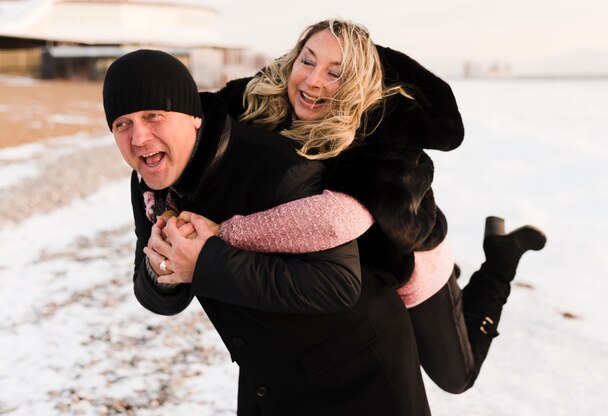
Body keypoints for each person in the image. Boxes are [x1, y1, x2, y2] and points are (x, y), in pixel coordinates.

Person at [168, 18, 547, 398]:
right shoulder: (266, 99)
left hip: (411, 267)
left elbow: (334, 222)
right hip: (360, 288)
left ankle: (501, 257)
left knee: (456, 377)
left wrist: (221, 235)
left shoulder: (380, 133)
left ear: (354, 84)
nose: (314, 80)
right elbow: (194, 123)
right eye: (308, 61)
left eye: (336, 73)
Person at [104, 49, 433, 415]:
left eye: (154, 116)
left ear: (194, 117)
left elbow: (337, 283)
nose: (139, 138)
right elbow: (155, 294)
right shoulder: (149, 186)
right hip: (268, 378)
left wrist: (203, 264)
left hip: (359, 374)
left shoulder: (279, 167)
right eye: (122, 124)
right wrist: (163, 272)